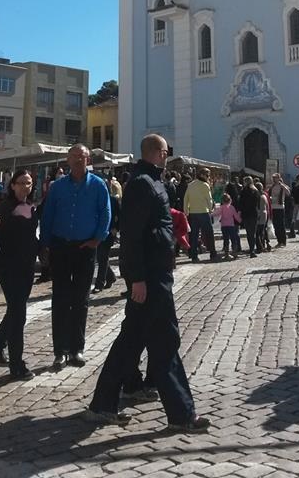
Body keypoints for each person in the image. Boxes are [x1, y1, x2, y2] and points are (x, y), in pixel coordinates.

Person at [87, 133, 210, 430]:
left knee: (130, 342)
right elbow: (131, 236)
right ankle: (182, 413)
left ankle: (103, 403)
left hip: (157, 273)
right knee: (165, 340)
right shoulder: (142, 183)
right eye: (166, 151)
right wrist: (137, 278)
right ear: (157, 153)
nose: (168, 156)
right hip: (150, 278)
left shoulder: (153, 181)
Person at [40, 144, 111, 369]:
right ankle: (60, 351)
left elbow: (105, 212)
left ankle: (76, 348)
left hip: (85, 249)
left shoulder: (98, 185)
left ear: (88, 160)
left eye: (82, 157)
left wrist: (98, 238)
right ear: (67, 160)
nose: (78, 160)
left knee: (81, 300)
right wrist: (45, 245)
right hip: (61, 247)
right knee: (60, 299)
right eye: (74, 156)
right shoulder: (57, 187)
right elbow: (48, 214)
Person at [0, 170, 38, 379]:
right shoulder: (4, 208)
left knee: (15, 311)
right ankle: (17, 365)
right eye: (22, 183)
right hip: (9, 267)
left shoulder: (32, 207)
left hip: (27, 267)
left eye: (29, 183)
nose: (26, 186)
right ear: (13, 185)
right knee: (19, 315)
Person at [93, 179, 121, 292]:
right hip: (97, 232)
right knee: (101, 257)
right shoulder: (95, 200)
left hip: (109, 233)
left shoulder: (113, 200)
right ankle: (110, 277)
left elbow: (120, 215)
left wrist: (116, 228)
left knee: (102, 256)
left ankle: (99, 283)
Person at [184, 168, 216, 263]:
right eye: (207, 175)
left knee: (194, 235)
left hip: (193, 213)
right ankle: (212, 253)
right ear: (202, 175)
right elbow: (209, 199)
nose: (208, 177)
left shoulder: (190, 185)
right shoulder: (205, 185)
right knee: (209, 233)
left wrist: (186, 210)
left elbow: (186, 198)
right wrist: (211, 209)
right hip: (204, 212)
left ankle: (194, 255)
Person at [214, 193, 241, 259]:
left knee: (226, 240)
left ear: (222, 201)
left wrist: (210, 214)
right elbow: (236, 216)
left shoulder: (222, 207)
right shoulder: (232, 207)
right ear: (230, 200)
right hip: (231, 225)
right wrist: (240, 221)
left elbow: (216, 213)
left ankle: (226, 254)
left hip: (224, 226)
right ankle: (234, 252)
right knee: (233, 239)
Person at [239, 176, 260, 258]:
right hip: (254, 213)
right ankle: (252, 250)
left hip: (246, 214)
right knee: (253, 233)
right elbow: (258, 203)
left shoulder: (243, 191)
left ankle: (251, 249)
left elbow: (240, 203)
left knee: (249, 233)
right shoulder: (255, 190)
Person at [269, 174, 289, 247]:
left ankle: (283, 241)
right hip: (273, 207)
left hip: (280, 207)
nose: (274, 179)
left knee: (281, 225)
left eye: (275, 178)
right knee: (275, 225)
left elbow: (288, 193)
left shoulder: (282, 186)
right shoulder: (272, 186)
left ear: (279, 178)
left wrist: (283, 186)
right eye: (273, 178)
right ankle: (279, 241)